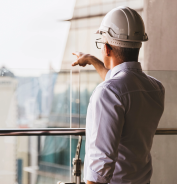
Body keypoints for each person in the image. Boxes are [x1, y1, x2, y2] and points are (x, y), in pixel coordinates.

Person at [71, 6, 165, 184]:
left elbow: (99, 168)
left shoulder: (108, 92)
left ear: (106, 49)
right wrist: (91, 59)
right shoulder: (155, 87)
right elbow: (121, 83)